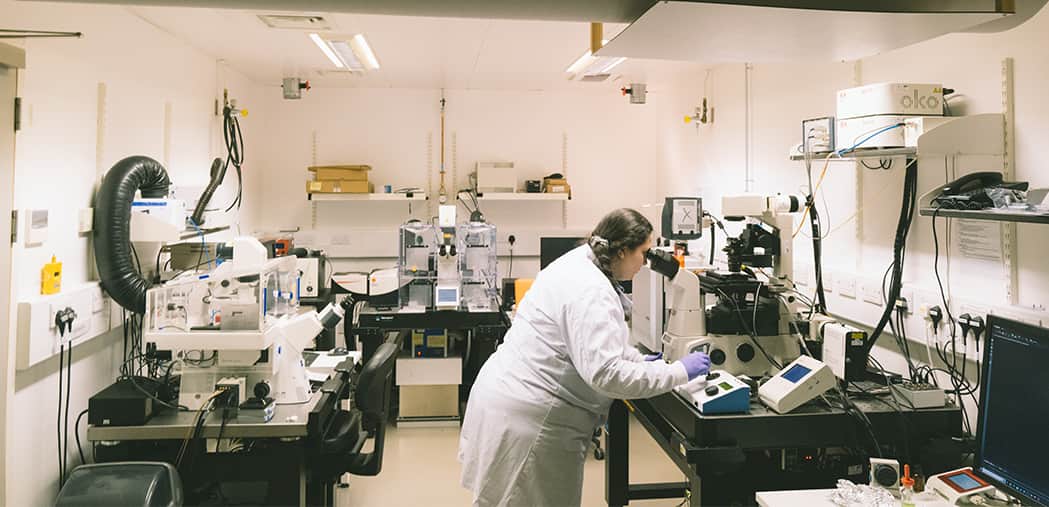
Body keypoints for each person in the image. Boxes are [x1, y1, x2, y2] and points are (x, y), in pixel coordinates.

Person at [459, 208, 711, 507]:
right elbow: (606, 374)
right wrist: (679, 372)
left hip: (507, 399)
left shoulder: (580, 262)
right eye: (643, 253)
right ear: (620, 251)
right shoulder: (591, 289)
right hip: (533, 420)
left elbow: (590, 342)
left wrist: (639, 361)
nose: (645, 263)